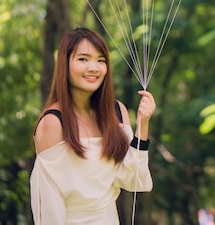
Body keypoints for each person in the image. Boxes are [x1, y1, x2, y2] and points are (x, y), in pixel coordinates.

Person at [30, 27, 156, 224]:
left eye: (101, 60)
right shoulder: (53, 123)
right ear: (65, 64)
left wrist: (143, 124)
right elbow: (47, 205)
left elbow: (134, 179)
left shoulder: (116, 111)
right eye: (83, 59)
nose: (94, 68)